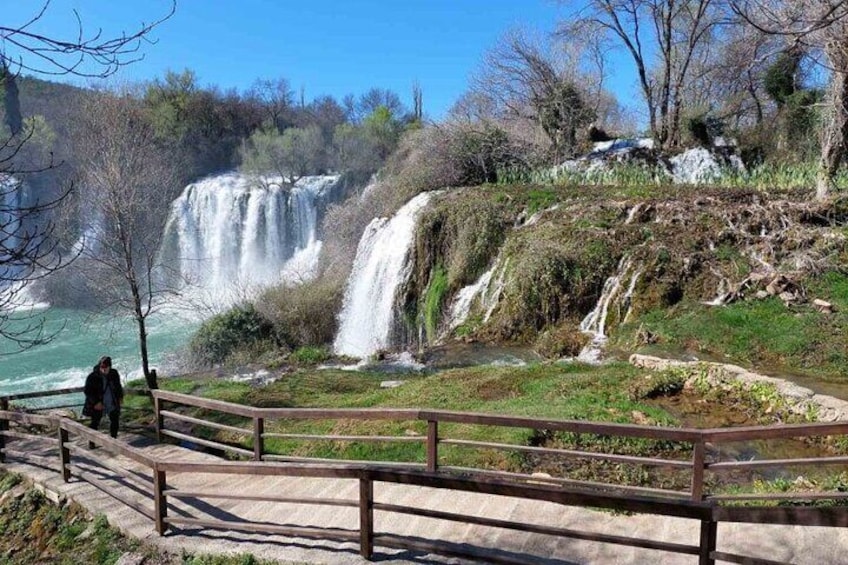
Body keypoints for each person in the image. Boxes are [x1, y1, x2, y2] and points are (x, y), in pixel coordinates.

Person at [84, 356, 124, 447]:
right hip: (98, 402)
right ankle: (92, 442)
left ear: (110, 366)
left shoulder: (114, 373)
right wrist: (95, 402)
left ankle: (113, 440)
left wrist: (120, 397)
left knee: (115, 420)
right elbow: (88, 391)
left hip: (111, 400)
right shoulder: (93, 376)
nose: (104, 370)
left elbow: (118, 386)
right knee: (95, 422)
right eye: (102, 367)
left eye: (106, 367)